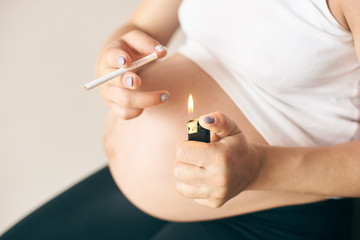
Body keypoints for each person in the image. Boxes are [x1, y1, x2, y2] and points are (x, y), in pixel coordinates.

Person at [2, 0, 359, 239]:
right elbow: (141, 25)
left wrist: (259, 168)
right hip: (171, 187)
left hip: (277, 209)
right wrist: (114, 65)